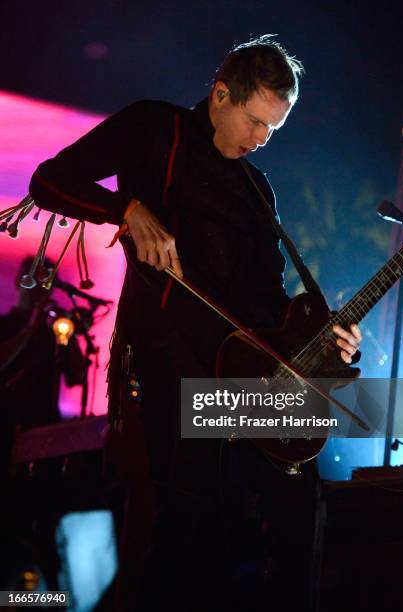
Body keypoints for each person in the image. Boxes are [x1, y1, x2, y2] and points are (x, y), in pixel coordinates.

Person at [28, 35, 362, 610]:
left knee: (293, 509)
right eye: (256, 122)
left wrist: (321, 338)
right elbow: (48, 180)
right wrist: (125, 209)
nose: (260, 140)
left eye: (272, 131)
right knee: (186, 528)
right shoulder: (155, 128)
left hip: (243, 378)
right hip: (170, 363)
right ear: (221, 94)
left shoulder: (258, 188)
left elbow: (270, 298)